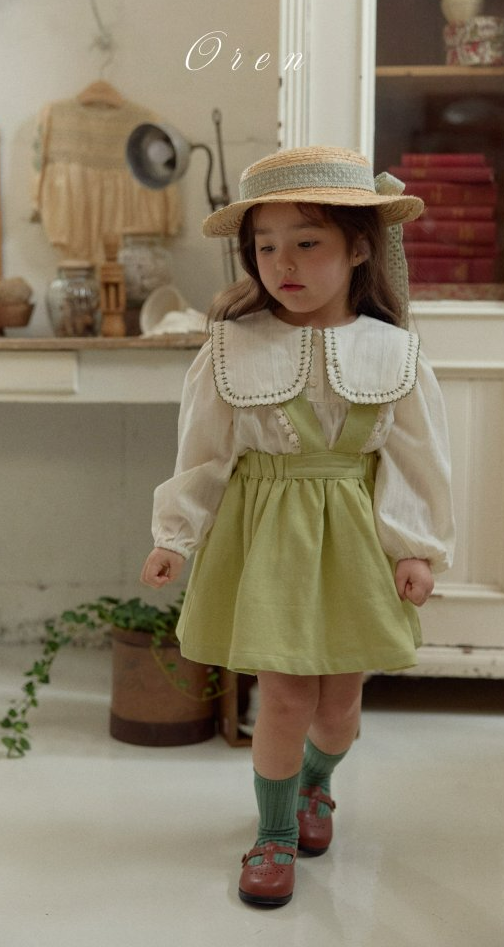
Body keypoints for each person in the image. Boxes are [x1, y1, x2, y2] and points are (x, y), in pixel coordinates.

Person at [140, 146, 455, 908]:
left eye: (307, 242)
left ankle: (316, 784)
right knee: (283, 698)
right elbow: (204, 454)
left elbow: (417, 459)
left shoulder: (394, 352)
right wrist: (175, 535)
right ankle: (275, 832)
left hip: (354, 544)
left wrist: (416, 548)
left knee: (338, 707)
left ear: (358, 248)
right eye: (266, 246)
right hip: (268, 544)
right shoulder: (232, 347)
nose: (283, 263)